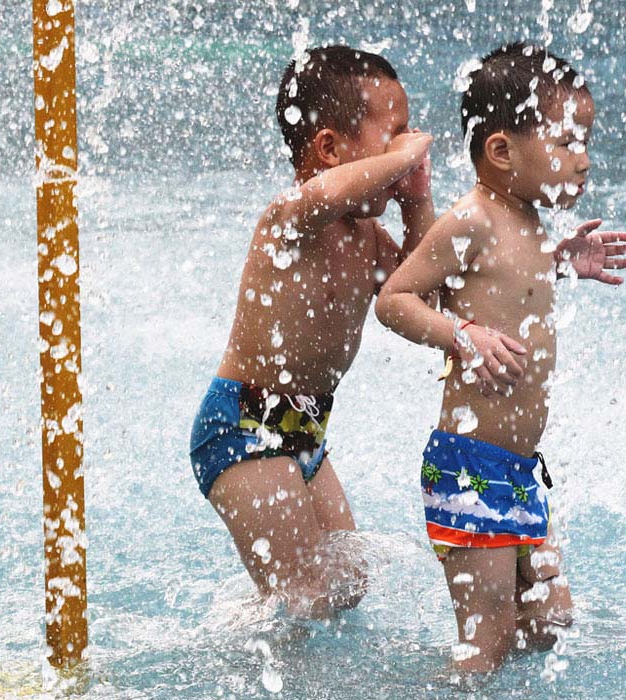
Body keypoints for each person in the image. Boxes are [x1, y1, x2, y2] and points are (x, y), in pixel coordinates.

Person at [375, 42, 626, 672]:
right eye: (568, 142)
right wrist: (463, 334)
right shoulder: (471, 220)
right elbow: (395, 299)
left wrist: (558, 264)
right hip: (470, 465)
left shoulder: (527, 222)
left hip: (520, 467)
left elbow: (504, 284)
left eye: (586, 141)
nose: (584, 159)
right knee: (484, 641)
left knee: (549, 620)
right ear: (500, 150)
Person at [189, 45, 434, 617]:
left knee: (346, 588)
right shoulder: (290, 218)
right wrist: (410, 152)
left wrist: (417, 196)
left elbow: (422, 291)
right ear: (328, 147)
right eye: (392, 134)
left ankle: (243, 624)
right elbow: (329, 193)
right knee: (306, 602)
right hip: (242, 425)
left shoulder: (369, 240)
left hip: (303, 430)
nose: (406, 145)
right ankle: (240, 660)